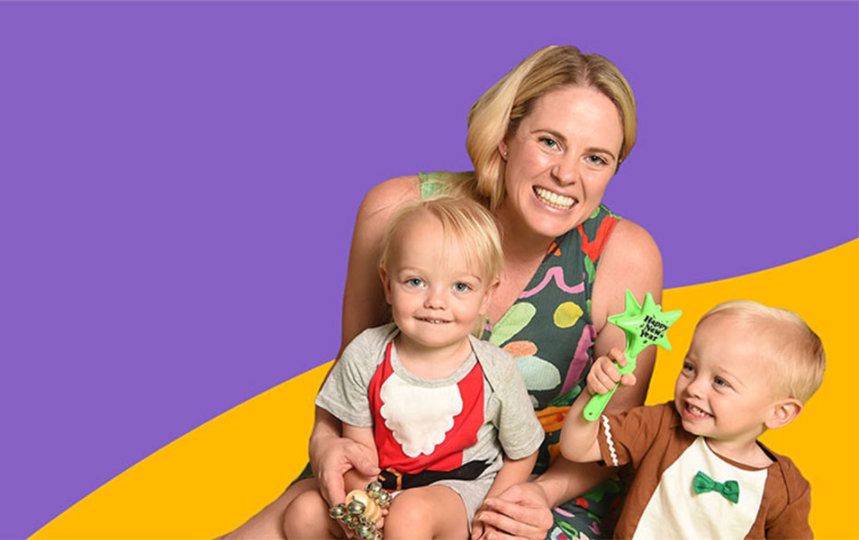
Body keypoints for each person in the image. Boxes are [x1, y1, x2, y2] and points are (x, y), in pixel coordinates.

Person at [222, 45, 663, 540]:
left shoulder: (625, 255)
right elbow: (354, 370)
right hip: (384, 471)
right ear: (505, 137)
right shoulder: (397, 212)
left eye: (596, 158)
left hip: (537, 489)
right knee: (296, 518)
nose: (566, 174)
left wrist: (537, 495)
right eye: (549, 142)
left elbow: (619, 431)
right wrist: (325, 442)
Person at [282, 197, 543, 539]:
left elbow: (523, 452)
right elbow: (360, 455)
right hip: (383, 488)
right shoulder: (365, 355)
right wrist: (366, 507)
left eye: (460, 287)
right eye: (416, 282)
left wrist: (491, 513)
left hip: (460, 490)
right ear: (388, 283)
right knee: (302, 514)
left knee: (409, 516)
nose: (435, 301)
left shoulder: (497, 371)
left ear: (487, 295)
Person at [560, 300, 825, 538]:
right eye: (690, 368)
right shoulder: (660, 425)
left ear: (779, 413)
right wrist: (595, 394)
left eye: (720, 382)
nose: (694, 387)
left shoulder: (786, 489)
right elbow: (577, 447)